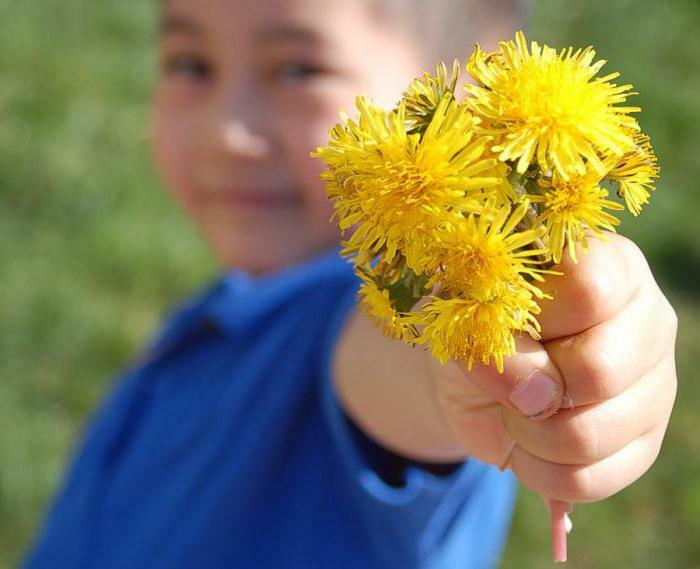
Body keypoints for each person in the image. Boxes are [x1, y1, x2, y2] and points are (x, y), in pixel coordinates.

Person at [22, 0, 678, 567]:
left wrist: (469, 357)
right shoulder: (231, 303)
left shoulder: (361, 331)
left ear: (471, 94)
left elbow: (411, 373)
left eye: (298, 70)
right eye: (191, 64)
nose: (229, 132)